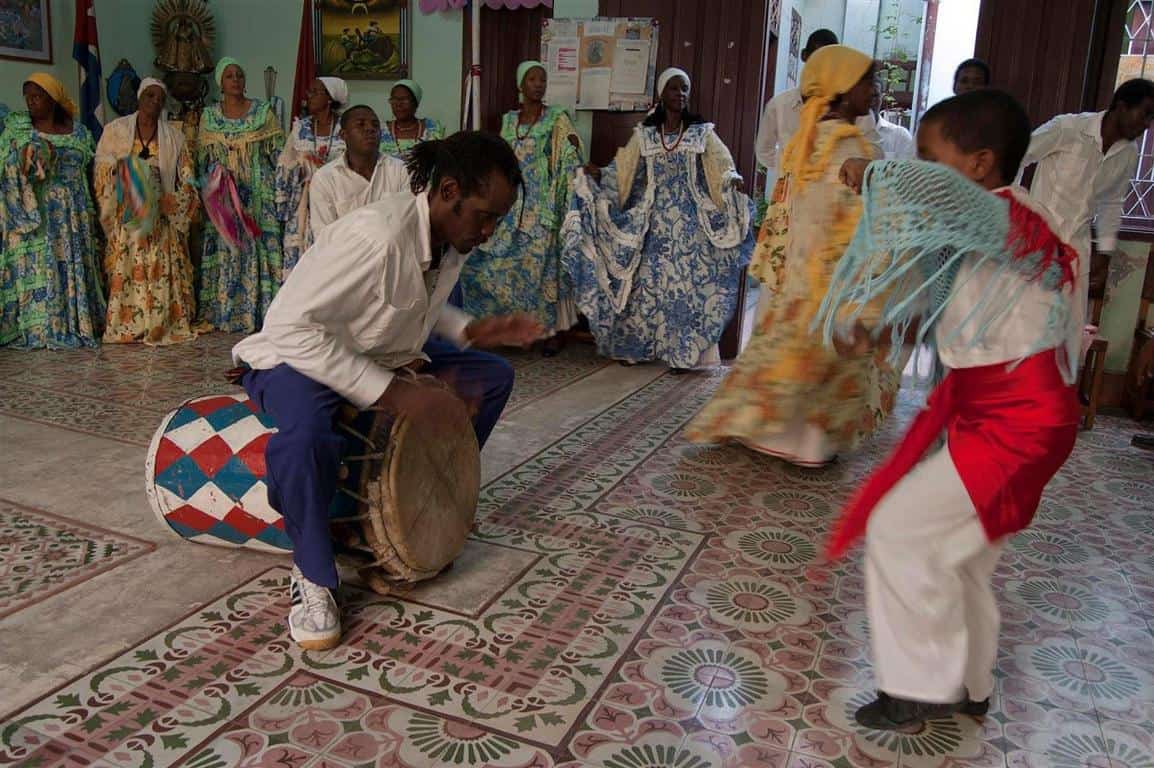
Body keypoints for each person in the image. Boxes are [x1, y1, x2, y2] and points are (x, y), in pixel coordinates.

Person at [819, 89, 1081, 731]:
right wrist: (884, 331)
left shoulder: (1010, 220)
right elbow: (945, 301)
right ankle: (969, 683)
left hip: (1018, 419)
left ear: (980, 164)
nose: (924, 168)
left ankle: (917, 687)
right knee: (960, 554)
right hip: (1006, 414)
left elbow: (940, 200)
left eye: (933, 157)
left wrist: (872, 169)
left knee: (898, 529)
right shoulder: (982, 225)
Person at [230, 131, 545, 650]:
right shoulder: (375, 236)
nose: (489, 231)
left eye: (498, 220)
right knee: (308, 437)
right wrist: (391, 394)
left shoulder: (448, 236)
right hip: (301, 356)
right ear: (448, 191)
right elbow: (289, 326)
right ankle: (313, 573)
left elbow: (407, 298)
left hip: (378, 348)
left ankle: (420, 498)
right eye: (485, 216)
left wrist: (467, 331)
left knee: (491, 379)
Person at [685, 46, 895, 465]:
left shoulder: (808, 139)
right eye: (866, 82)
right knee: (819, 360)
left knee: (790, 355)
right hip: (830, 275)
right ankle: (804, 442)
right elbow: (853, 222)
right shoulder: (850, 147)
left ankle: (774, 433)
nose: (874, 92)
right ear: (840, 88)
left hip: (803, 271)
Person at [563, 67, 753, 370]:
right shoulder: (646, 136)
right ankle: (638, 348)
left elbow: (722, 163)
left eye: (685, 89)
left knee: (685, 286)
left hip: (690, 224)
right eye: (675, 88)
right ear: (662, 94)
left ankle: (682, 353)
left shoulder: (700, 133)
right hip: (653, 223)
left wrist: (731, 180)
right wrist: (601, 173)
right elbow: (624, 170)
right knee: (646, 284)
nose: (681, 94)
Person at [459, 61, 584, 356]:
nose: (538, 84)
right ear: (521, 85)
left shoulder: (557, 120)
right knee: (486, 264)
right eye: (532, 79)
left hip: (543, 206)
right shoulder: (508, 121)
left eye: (543, 79)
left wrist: (562, 200)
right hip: (510, 206)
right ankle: (499, 330)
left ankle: (549, 331)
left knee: (543, 270)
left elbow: (571, 155)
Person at [1019, 78, 1154, 342]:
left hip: (1076, 251)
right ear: (1122, 107)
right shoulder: (1068, 128)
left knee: (1065, 336)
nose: (1147, 125)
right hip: (1035, 245)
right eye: (1145, 114)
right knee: (1024, 329)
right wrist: (1015, 210)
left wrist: (1104, 252)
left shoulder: (1128, 153)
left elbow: (1112, 202)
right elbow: (1019, 156)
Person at [0, 73, 104, 348]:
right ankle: (43, 329)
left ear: (53, 98)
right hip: (37, 215)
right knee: (43, 266)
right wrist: (27, 159)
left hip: (73, 211)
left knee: (71, 264)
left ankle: (76, 323)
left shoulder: (80, 131)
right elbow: (4, 167)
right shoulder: (18, 129)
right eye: (28, 97)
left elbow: (90, 170)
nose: (31, 102)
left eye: (37, 96)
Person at [95, 78, 198, 345]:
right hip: (128, 216)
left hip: (162, 217)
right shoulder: (115, 130)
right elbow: (102, 170)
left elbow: (187, 177)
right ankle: (129, 325)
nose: (155, 101)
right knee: (128, 268)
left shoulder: (174, 137)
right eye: (150, 96)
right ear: (140, 98)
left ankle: (160, 323)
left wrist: (171, 199)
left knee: (160, 268)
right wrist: (128, 178)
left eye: (160, 98)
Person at [196, 57, 285, 333]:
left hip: (258, 193)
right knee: (228, 248)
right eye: (229, 76)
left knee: (257, 243)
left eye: (240, 75)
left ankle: (263, 311)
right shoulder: (209, 116)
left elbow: (278, 154)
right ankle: (226, 311)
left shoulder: (263, 112)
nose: (236, 80)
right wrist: (218, 178)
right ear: (220, 83)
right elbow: (203, 159)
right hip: (223, 198)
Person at [754, 30, 882, 187]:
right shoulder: (779, 105)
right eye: (817, 58)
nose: (822, 66)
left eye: (830, 61)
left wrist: (853, 164)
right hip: (792, 196)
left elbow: (876, 153)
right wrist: (792, 167)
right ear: (804, 56)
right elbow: (763, 151)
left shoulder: (855, 109)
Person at [276, 76, 348, 276]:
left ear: (330, 98)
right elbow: (284, 163)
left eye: (315, 92)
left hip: (337, 203)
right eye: (310, 92)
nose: (309, 96)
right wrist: (301, 167)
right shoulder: (300, 128)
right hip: (304, 206)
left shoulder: (346, 128)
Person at [309, 104, 409, 233]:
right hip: (344, 252)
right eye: (360, 124)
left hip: (392, 252)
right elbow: (324, 236)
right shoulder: (325, 178)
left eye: (375, 125)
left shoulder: (400, 170)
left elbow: (407, 225)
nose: (370, 129)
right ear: (343, 135)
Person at [378, 80, 444, 159]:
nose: (399, 104)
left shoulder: (433, 129)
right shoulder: (380, 130)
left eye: (405, 100)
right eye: (394, 100)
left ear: (416, 103)